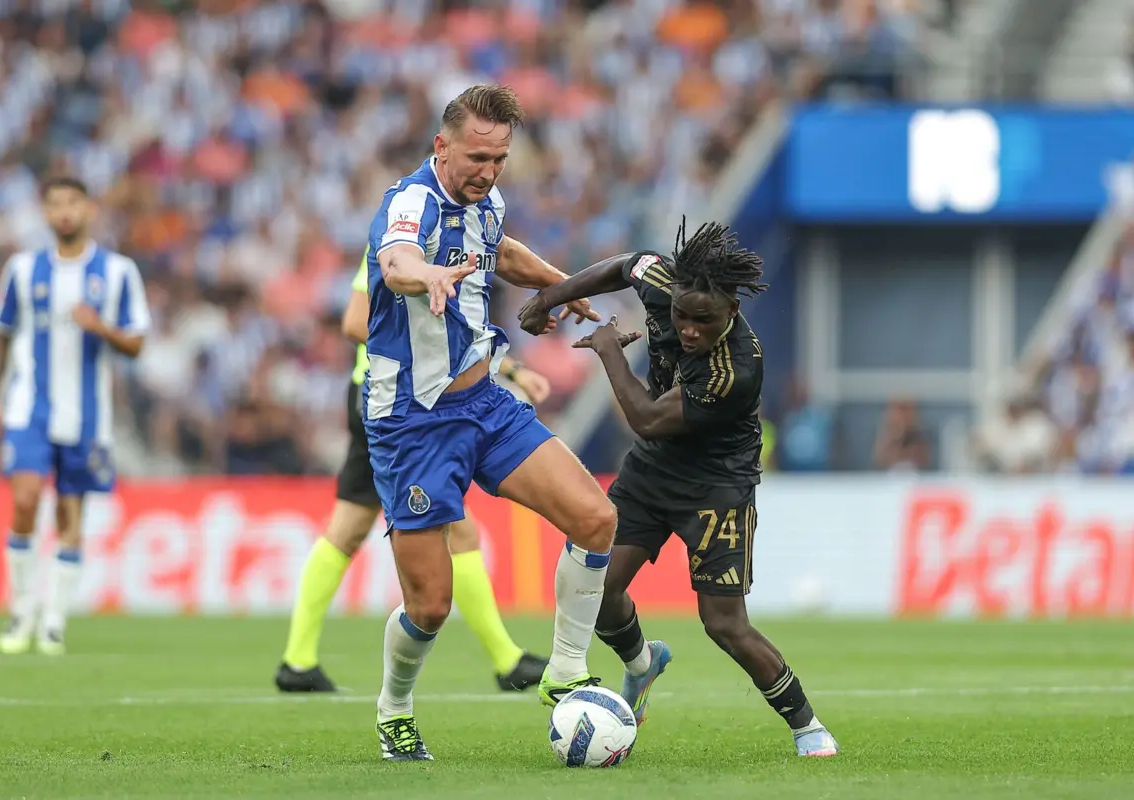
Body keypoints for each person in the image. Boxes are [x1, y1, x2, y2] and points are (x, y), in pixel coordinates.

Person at [518, 220, 841, 758]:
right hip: (653, 473)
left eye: (703, 321)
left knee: (723, 624)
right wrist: (549, 297)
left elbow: (646, 419)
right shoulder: (663, 281)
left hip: (717, 488)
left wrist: (609, 351)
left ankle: (806, 725)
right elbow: (624, 265)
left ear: (731, 311)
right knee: (598, 592)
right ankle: (642, 664)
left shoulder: (735, 370)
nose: (688, 330)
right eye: (681, 317)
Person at [363, 84, 616, 762]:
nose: (489, 171)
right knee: (430, 607)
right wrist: (427, 277)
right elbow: (395, 262)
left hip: (486, 404)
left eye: (500, 158)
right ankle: (394, 708)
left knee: (596, 518)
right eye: (477, 157)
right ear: (442, 146)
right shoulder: (409, 203)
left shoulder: (488, 202)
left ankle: (566, 672)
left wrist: (562, 285)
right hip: (412, 423)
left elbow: (500, 252)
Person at [274, 249, 551, 694]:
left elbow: (455, 333)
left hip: (396, 399)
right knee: (457, 530)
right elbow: (355, 322)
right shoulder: (395, 242)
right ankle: (507, 660)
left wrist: (512, 369)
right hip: (392, 402)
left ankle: (297, 660)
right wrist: (422, 354)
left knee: (349, 528)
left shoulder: (435, 244)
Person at [0, 176, 150, 656]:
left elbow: (136, 343)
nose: (64, 212)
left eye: (72, 202)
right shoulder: (22, 269)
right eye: (55, 204)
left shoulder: (117, 271)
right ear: (45, 213)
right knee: (25, 497)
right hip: (28, 406)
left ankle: (53, 620)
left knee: (70, 513)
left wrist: (100, 328)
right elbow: (0, 334)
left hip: (87, 416)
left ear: (89, 209)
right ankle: (21, 610)